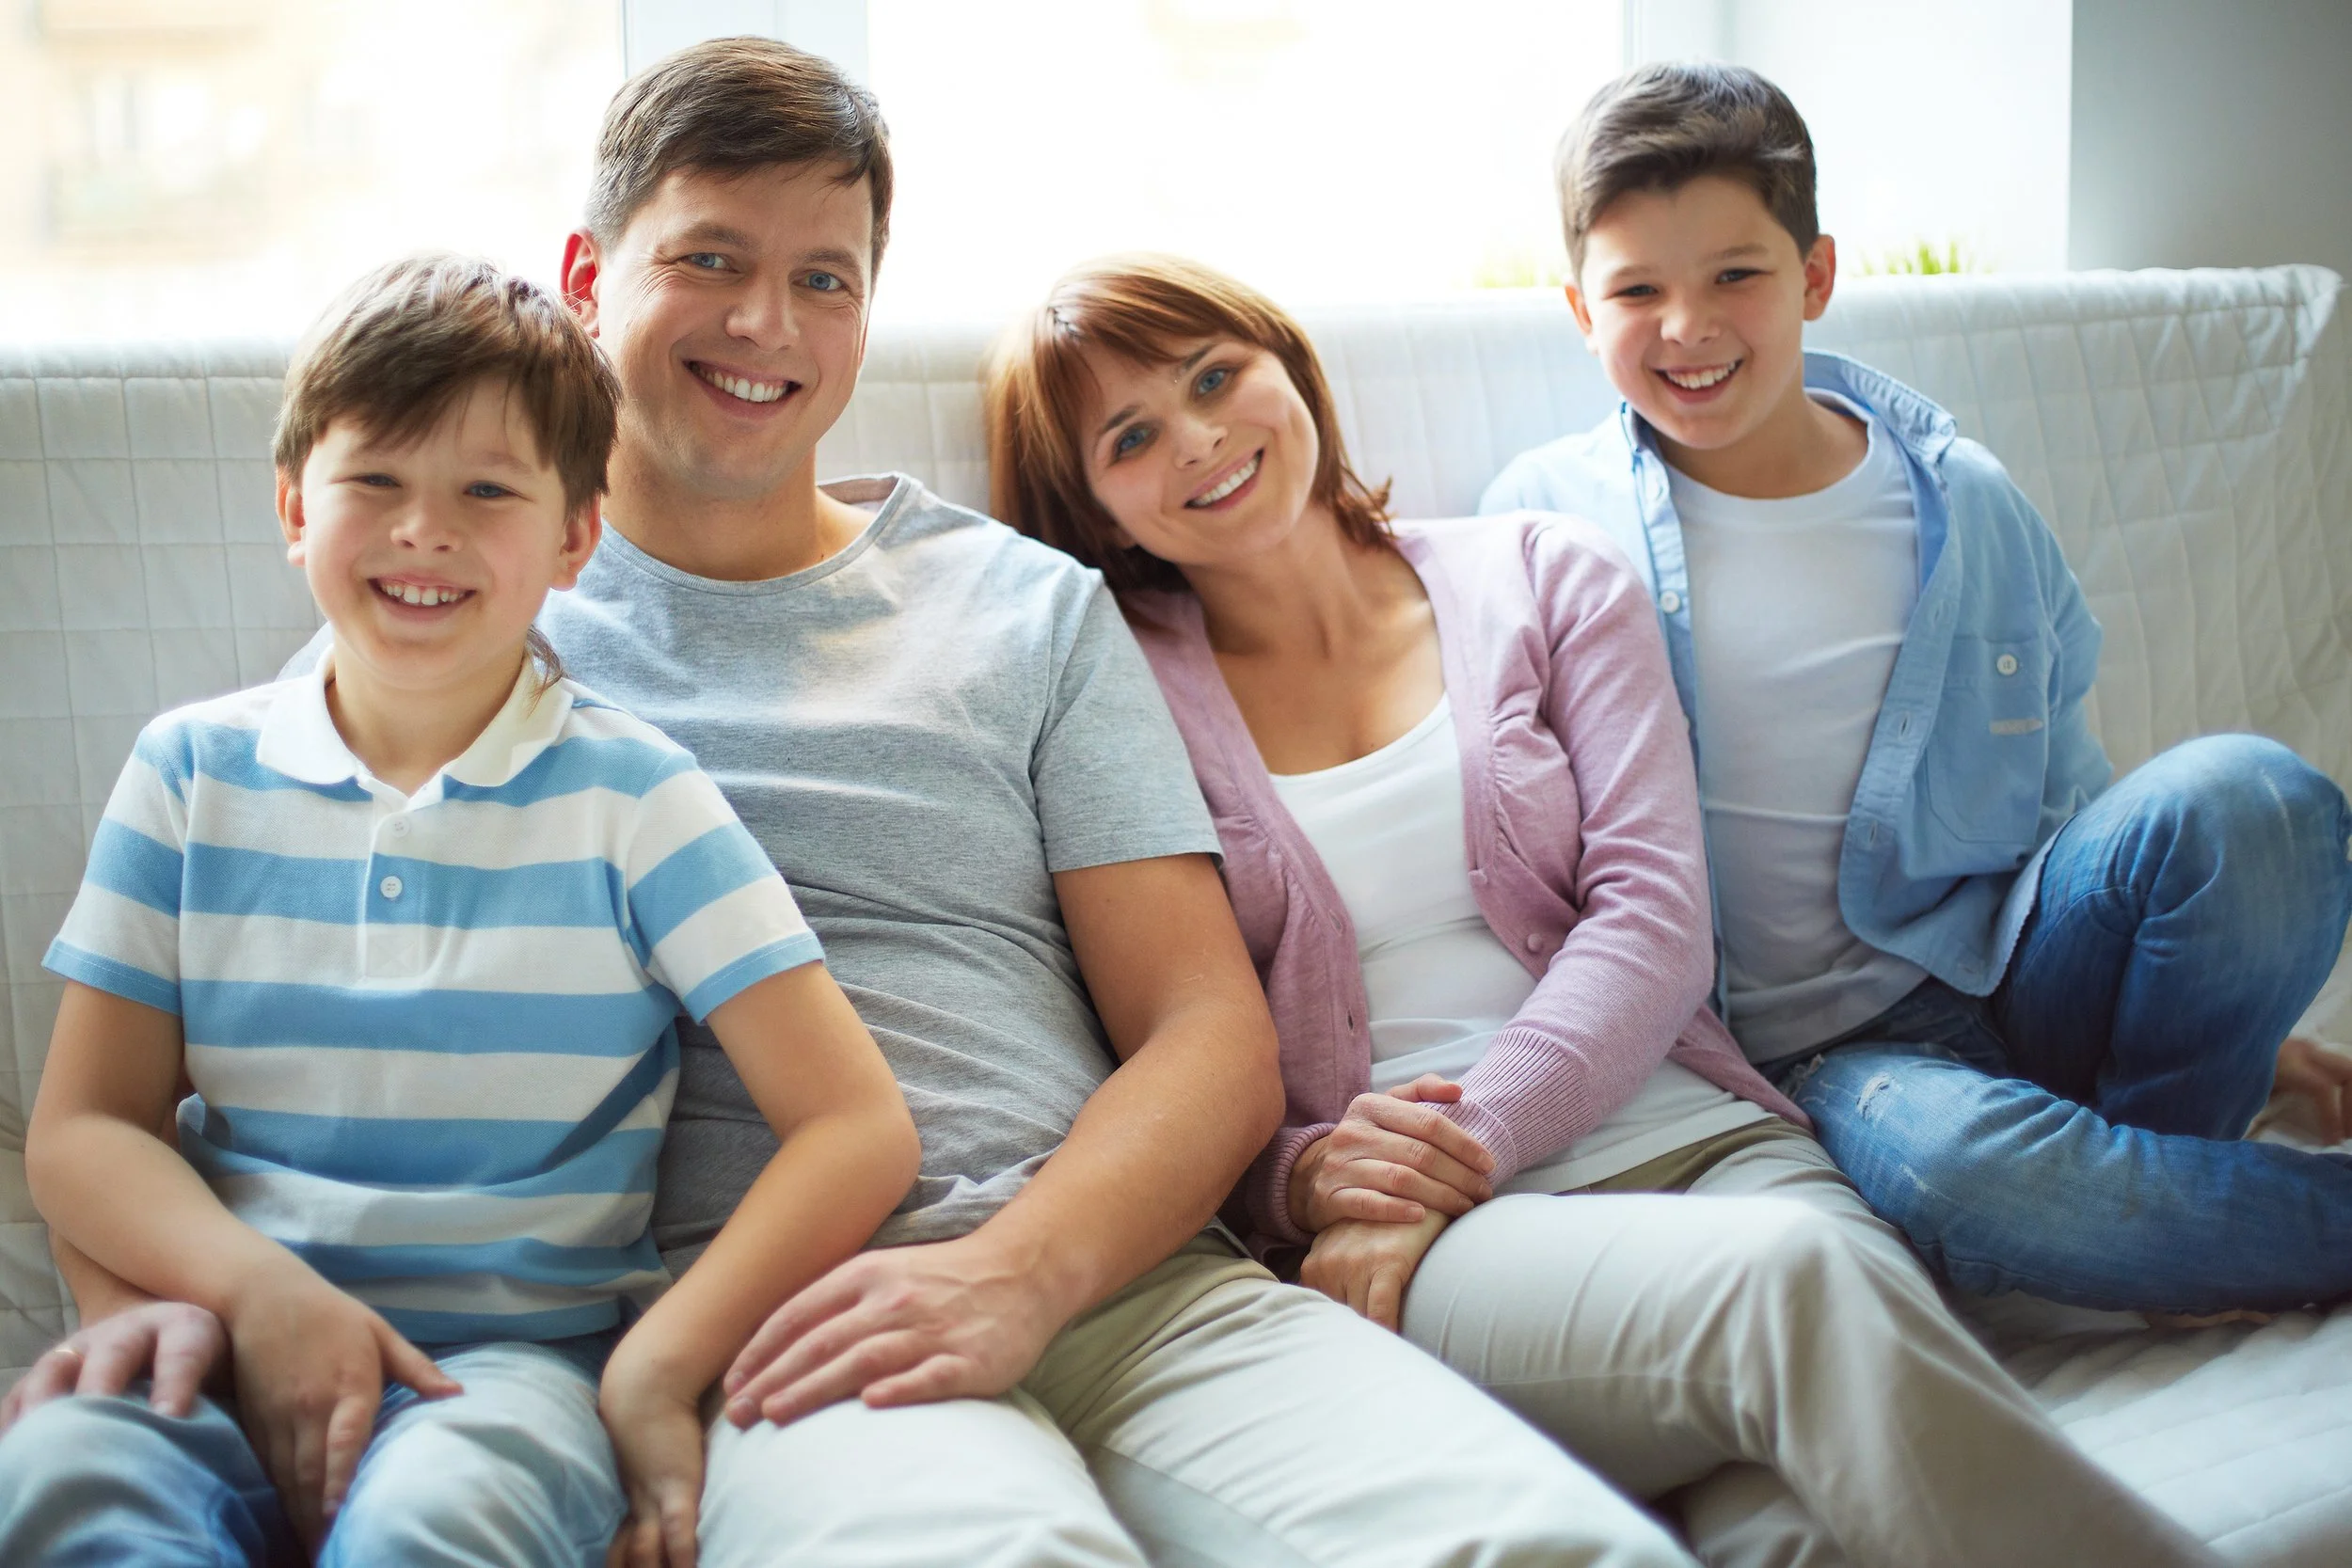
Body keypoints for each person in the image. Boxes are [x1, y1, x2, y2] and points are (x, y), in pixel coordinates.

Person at [8, 40, 1708, 1568]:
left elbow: (1206, 1030)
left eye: (825, 277)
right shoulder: (473, 596)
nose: (767, 326)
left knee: (1551, 1542)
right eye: (710, 261)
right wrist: (154, 1301)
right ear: (592, 274)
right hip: (782, 1331)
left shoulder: (1027, 604)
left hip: (1129, 1281)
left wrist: (1020, 1271)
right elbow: (236, 1040)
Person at [985, 251, 2221, 1568]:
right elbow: (1158, 1046)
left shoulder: (1541, 572)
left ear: (1287, 365)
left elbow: (1654, 914)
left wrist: (1482, 1129)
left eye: (1215, 374)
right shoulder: (1110, 697)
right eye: (1131, 436)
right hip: (1450, 1232)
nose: (1200, 435)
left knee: (1798, 1533)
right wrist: (1306, 1180)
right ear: (1097, 511)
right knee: (1799, 1291)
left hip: (1708, 1139)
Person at [0, 254, 923, 1566]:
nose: (422, 530)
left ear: (572, 537)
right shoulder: (188, 772)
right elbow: (84, 1128)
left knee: (433, 1528)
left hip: (510, 1377)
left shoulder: (637, 796)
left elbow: (856, 1123)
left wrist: (653, 1366)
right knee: (63, 1474)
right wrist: (251, 1294)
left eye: (485, 491)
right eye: (374, 481)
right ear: (291, 505)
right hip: (225, 1336)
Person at [1479, 62, 2352, 1316]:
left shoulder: (1959, 496)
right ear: (1578, 309)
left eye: (1736, 275)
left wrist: (2198, 982)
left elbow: (2068, 787)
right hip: (1828, 1055)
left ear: (1815, 278)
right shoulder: (1547, 519)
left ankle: (2155, 1192)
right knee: (1958, 1174)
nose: (1687, 327)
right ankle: (2169, 1209)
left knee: (2260, 801)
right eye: (1637, 292)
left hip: (2012, 960)